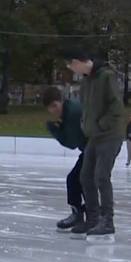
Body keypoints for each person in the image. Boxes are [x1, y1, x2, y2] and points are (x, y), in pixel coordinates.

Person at [65, 48, 122, 239]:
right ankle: (93, 217)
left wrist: (101, 125)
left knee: (101, 176)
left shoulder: (107, 76)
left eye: (69, 65)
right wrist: (85, 125)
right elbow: (85, 107)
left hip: (110, 135)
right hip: (94, 137)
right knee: (85, 176)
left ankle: (108, 220)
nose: (70, 70)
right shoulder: (86, 81)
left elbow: (116, 106)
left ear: (76, 62)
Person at [42, 86, 87, 231]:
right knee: (78, 179)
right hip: (91, 148)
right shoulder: (69, 109)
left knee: (79, 179)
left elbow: (72, 143)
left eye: (55, 105)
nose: (54, 110)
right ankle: (82, 214)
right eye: (50, 108)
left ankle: (88, 215)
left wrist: (56, 131)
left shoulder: (71, 113)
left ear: (61, 100)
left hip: (96, 148)